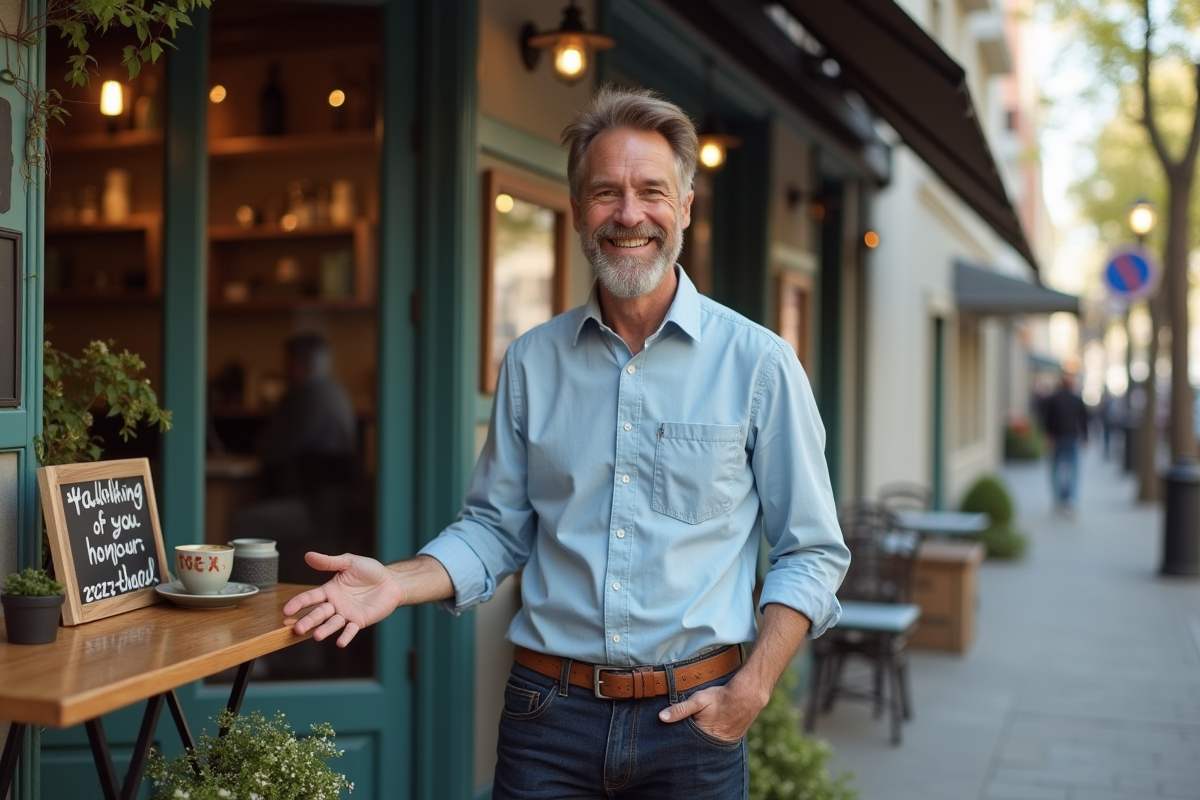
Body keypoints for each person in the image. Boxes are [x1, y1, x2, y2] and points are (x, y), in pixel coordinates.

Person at [283, 86, 849, 799]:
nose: (630, 213)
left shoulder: (758, 364)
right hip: (547, 719)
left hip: (695, 724)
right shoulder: (531, 361)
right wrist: (397, 583)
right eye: (606, 192)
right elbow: (495, 530)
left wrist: (752, 690)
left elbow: (812, 550)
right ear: (580, 210)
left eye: (652, 191)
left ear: (685, 207)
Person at [1041, 371, 1089, 514]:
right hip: (1071, 437)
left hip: (1057, 438)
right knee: (1073, 469)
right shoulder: (1075, 399)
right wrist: (1086, 437)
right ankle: (1069, 499)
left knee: (1056, 469)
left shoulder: (1053, 399)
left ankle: (1058, 499)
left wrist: (1048, 437)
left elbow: (1046, 420)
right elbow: (1083, 419)